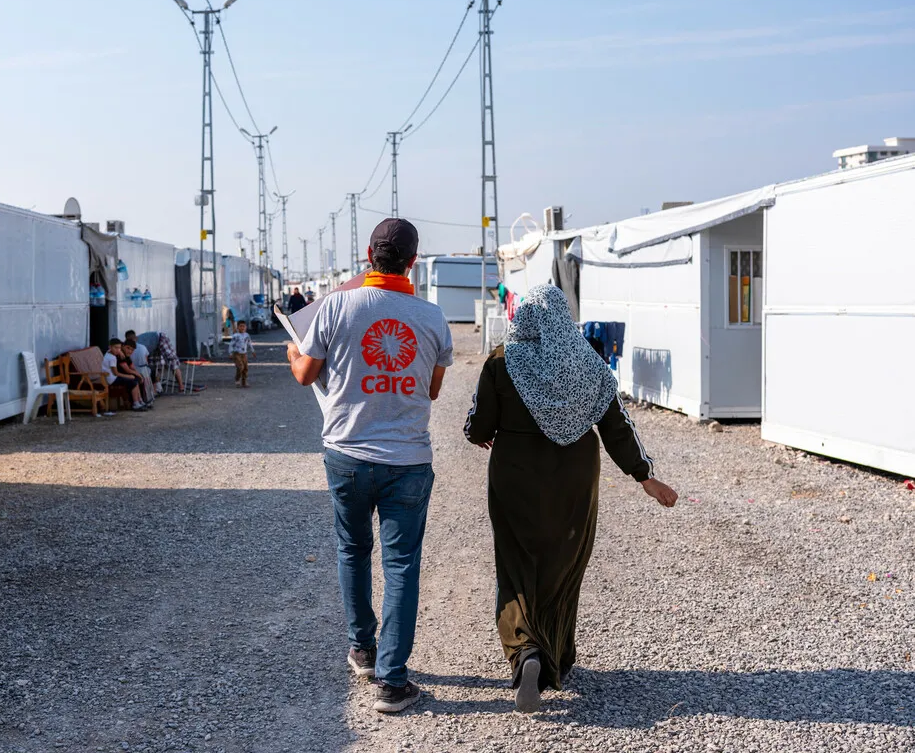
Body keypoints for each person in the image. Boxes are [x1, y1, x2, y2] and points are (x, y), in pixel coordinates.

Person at [464, 285, 678, 713]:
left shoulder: (502, 361)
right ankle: (554, 658)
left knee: (516, 563)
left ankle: (526, 651)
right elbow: (617, 424)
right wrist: (645, 476)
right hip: (574, 481)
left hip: (514, 478)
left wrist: (481, 433)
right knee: (563, 566)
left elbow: (477, 423)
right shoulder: (589, 363)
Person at [286, 218, 453, 714]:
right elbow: (433, 389)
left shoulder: (338, 306)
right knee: (401, 566)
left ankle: (362, 648)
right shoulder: (432, 316)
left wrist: (294, 348)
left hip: (347, 454)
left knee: (353, 550)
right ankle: (392, 681)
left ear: (367, 255)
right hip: (407, 458)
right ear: (413, 262)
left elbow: (304, 375)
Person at [102, 338, 147, 412]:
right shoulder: (112, 358)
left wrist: (119, 352)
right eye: (116, 348)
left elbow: (130, 368)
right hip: (112, 380)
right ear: (110, 347)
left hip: (112, 378)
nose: (118, 350)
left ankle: (139, 400)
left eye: (119, 348)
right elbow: (115, 373)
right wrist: (129, 376)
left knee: (134, 379)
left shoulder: (109, 353)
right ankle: (136, 403)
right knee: (133, 381)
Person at [122, 339, 155, 404]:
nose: (129, 351)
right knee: (135, 380)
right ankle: (136, 402)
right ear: (123, 346)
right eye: (128, 348)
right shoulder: (121, 356)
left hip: (126, 375)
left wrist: (139, 375)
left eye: (132, 350)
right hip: (119, 376)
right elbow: (128, 370)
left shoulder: (128, 357)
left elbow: (132, 368)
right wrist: (138, 375)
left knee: (140, 378)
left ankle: (141, 400)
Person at [228, 320, 257, 388]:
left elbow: (249, 343)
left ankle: (244, 382)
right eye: (240, 326)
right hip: (237, 353)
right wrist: (230, 353)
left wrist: (253, 351)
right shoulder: (236, 336)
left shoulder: (247, 335)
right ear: (237, 327)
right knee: (240, 366)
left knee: (245, 368)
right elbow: (231, 345)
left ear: (246, 327)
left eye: (243, 326)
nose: (242, 328)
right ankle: (237, 379)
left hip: (244, 354)